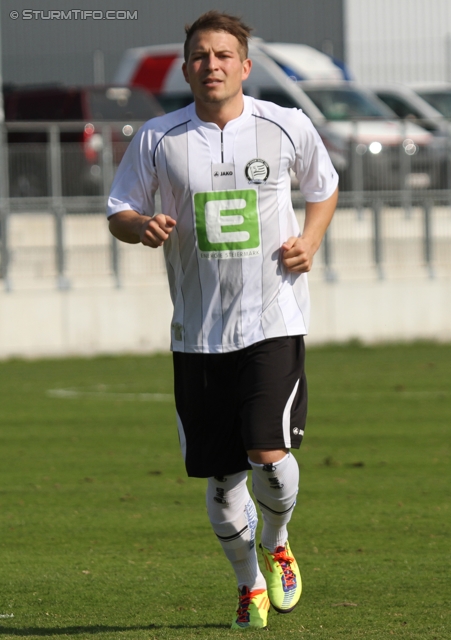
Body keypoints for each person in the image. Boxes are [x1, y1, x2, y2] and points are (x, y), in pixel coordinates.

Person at [107, 10, 338, 630]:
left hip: (274, 319)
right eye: (201, 57)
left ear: (245, 66)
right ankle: (248, 584)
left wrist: (310, 240)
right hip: (198, 334)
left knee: (267, 452)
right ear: (186, 68)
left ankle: (280, 539)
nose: (212, 65)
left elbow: (325, 186)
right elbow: (119, 210)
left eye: (223, 55)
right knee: (221, 473)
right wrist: (140, 225)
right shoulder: (159, 137)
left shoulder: (285, 126)